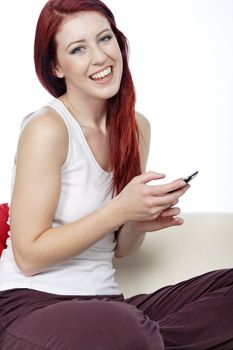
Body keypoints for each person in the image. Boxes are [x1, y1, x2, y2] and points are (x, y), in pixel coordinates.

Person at [0, 0, 232, 349]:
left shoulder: (137, 128)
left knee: (135, 323)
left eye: (104, 39)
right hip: (32, 306)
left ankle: (146, 341)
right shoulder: (47, 128)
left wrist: (138, 220)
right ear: (55, 66)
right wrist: (120, 210)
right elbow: (29, 257)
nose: (99, 57)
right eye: (78, 49)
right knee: (125, 327)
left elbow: (121, 249)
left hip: (108, 307)